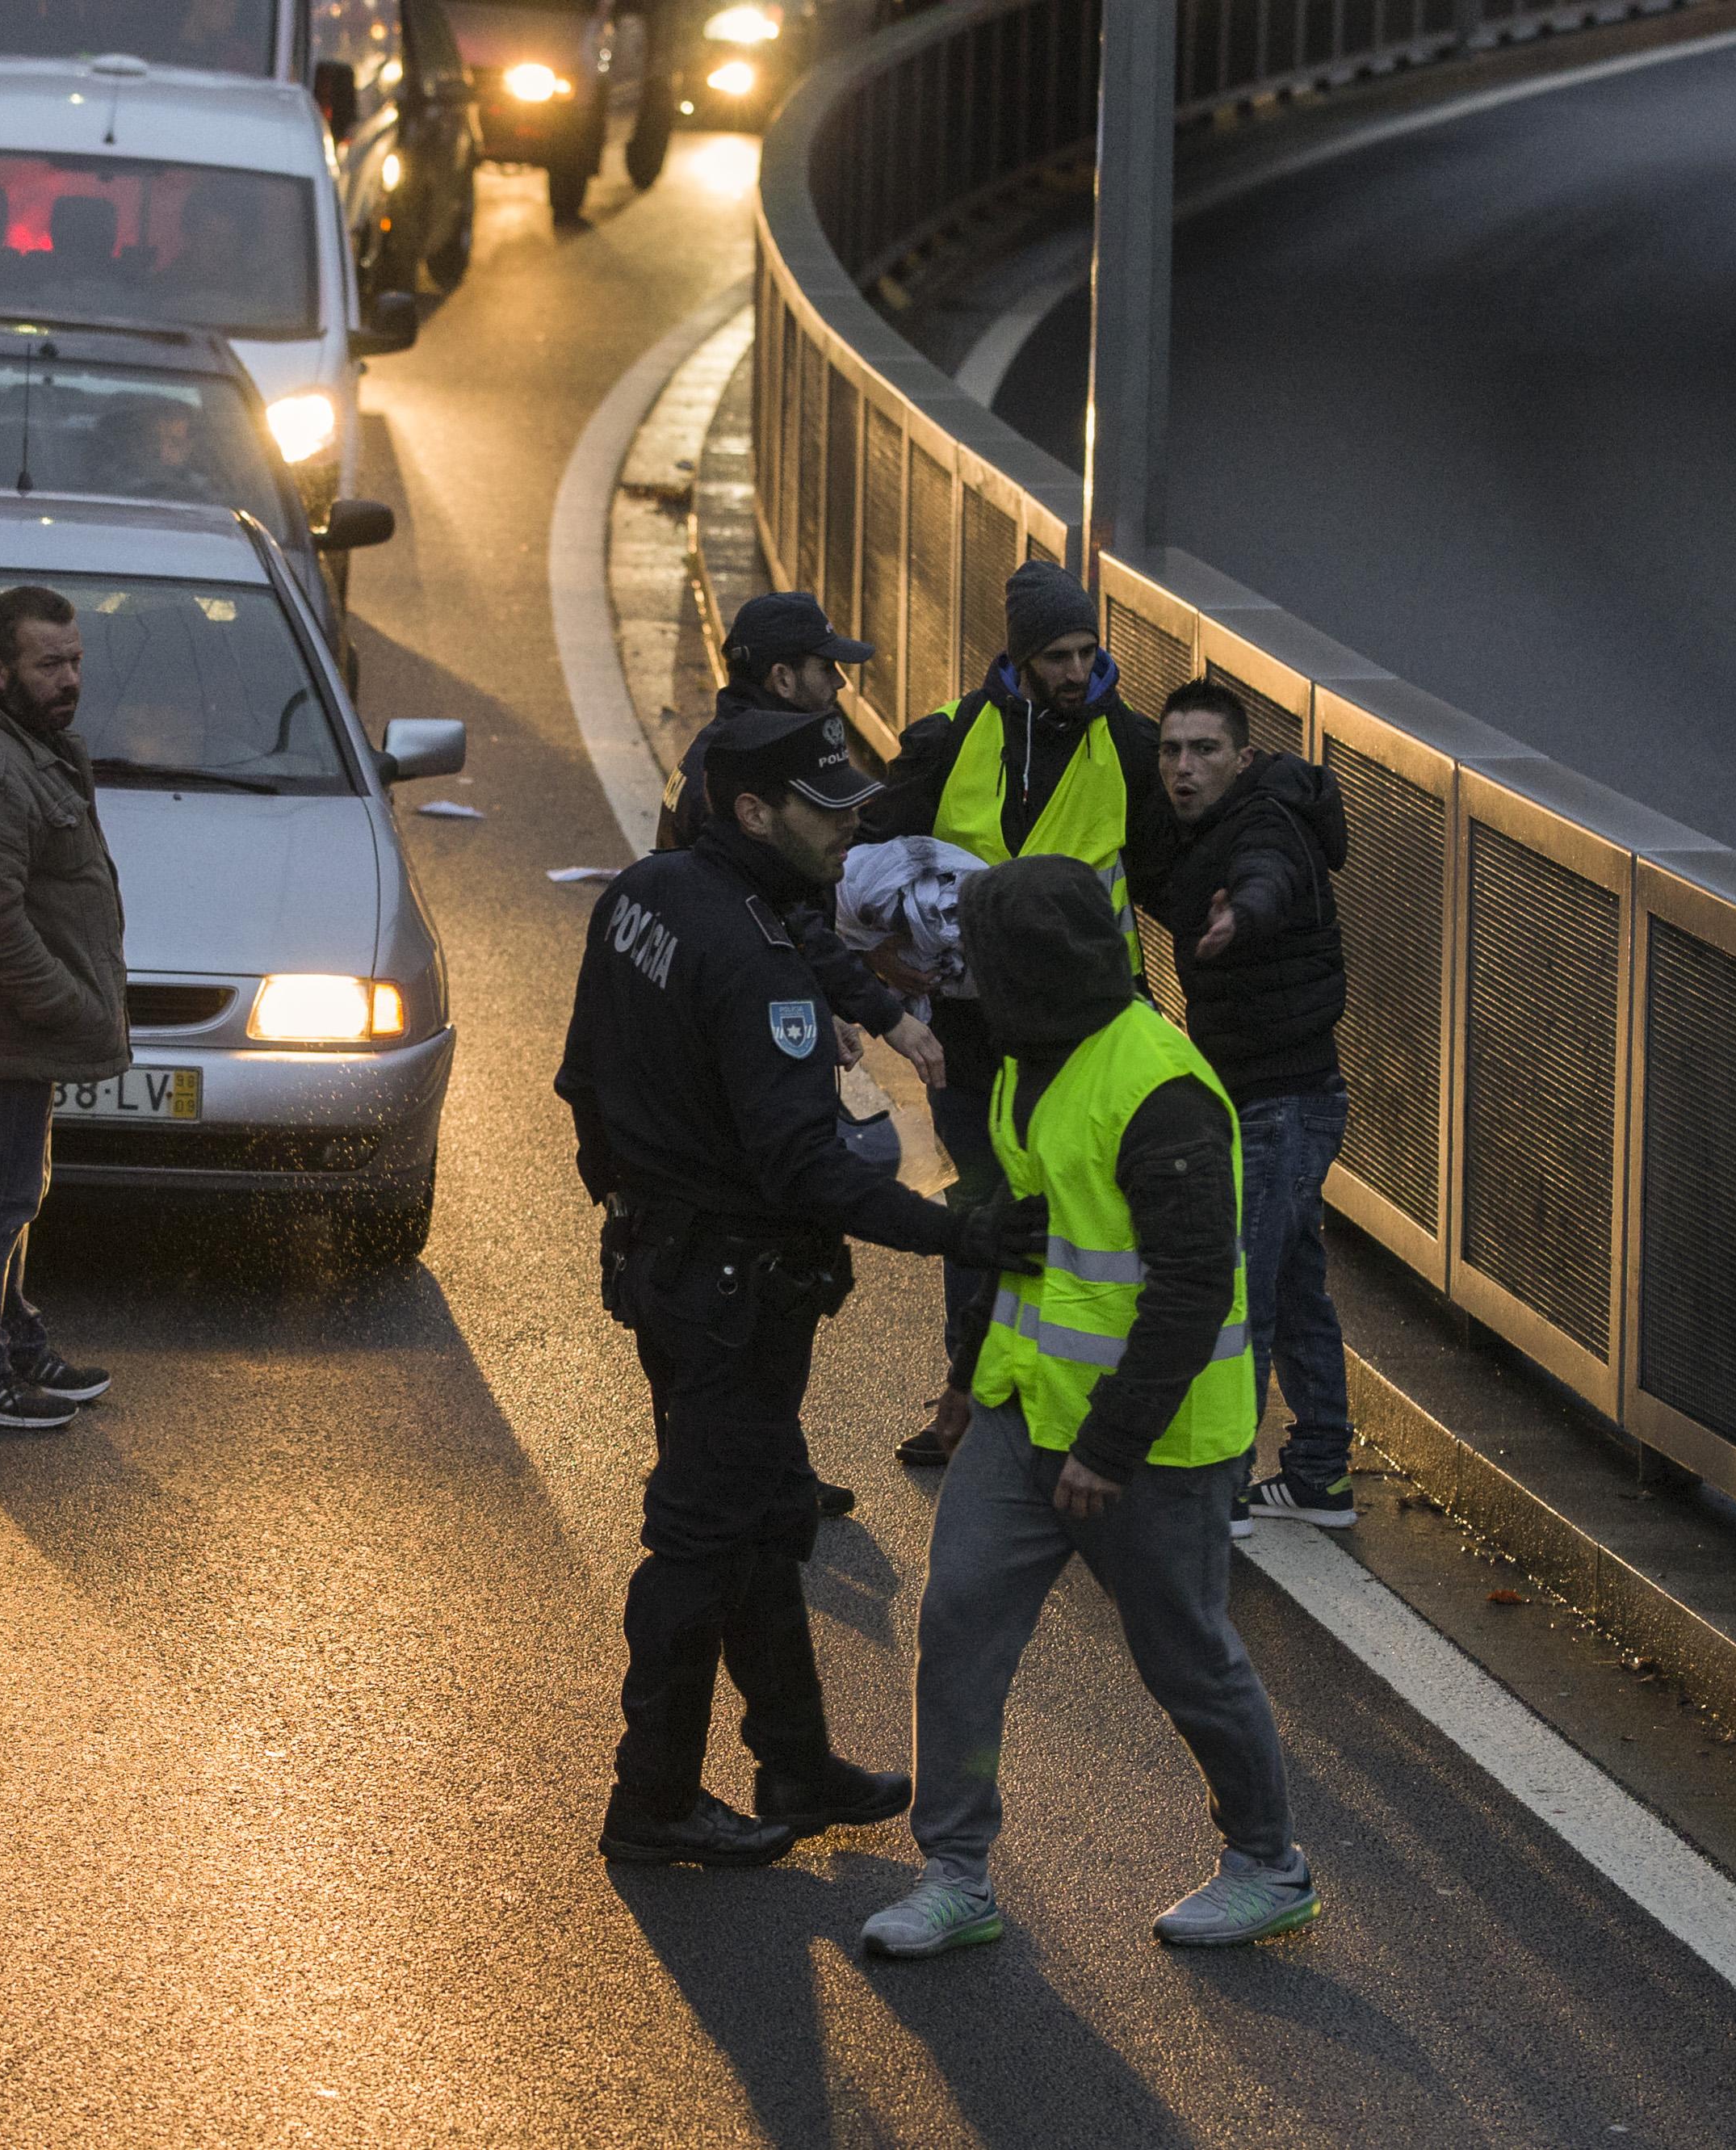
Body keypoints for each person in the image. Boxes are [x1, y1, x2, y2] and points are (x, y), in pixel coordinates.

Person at [557, 706, 1050, 1867]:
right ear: (750, 809)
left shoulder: (645, 892)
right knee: (698, 1539)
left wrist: (628, 1212)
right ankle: (654, 1796)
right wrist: (956, 1230)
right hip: (734, 1292)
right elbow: (806, 1167)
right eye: (824, 809)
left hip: (665, 1267)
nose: (849, 826)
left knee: (767, 1513)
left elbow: (581, 1071)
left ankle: (795, 1757)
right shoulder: (753, 963)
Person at [860, 854, 1318, 1960]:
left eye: (978, 956)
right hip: (1025, 1414)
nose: (957, 975)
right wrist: (969, 1386)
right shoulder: (1030, 1058)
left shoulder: (1156, 1086)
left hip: (1150, 1442)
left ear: (1025, 967)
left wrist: (1109, 1445)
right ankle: (954, 1871)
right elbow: (1029, 1238)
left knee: (1184, 1652)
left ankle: (1268, 1861)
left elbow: (1194, 1281)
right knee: (959, 1624)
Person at [863, 558, 1180, 1470]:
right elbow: (867, 863)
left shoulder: (1129, 745)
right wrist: (883, 969)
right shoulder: (952, 739)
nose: (1078, 671)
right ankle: (969, 1399)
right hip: (974, 1031)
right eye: (1057, 655)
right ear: (1019, 656)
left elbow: (1176, 875)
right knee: (980, 1216)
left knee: (1087, 1222)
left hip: (1094, 1040)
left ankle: (1076, 1406)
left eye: (1087, 650)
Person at [662, 592, 950, 1518]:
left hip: (727, 1033)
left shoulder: (730, 754)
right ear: (783, 677)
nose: (838, 687)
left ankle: (744, 1463)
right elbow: (787, 920)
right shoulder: (756, 772)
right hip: (742, 1046)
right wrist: (878, 1012)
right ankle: (733, 1478)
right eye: (828, 670)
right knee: (771, 1254)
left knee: (745, 1265)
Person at [0, 586, 127, 1433]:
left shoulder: (20, 738)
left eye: (75, 660)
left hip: (16, 1029)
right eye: (50, 664)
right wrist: (68, 1004)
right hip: (7, 1028)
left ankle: (8, 1336)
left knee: (14, 1187)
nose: (70, 678)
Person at [1147, 680, 1354, 1535]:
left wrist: (1246, 915)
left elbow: (1266, 880)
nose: (1183, 767)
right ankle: (1318, 1474)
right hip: (1273, 1096)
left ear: (1242, 755)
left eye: (1203, 751)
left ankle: (1223, 1484)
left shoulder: (1264, 824)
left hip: (1282, 1103)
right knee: (1295, 1281)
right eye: (1171, 751)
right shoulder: (1213, 824)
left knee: (1245, 1294)